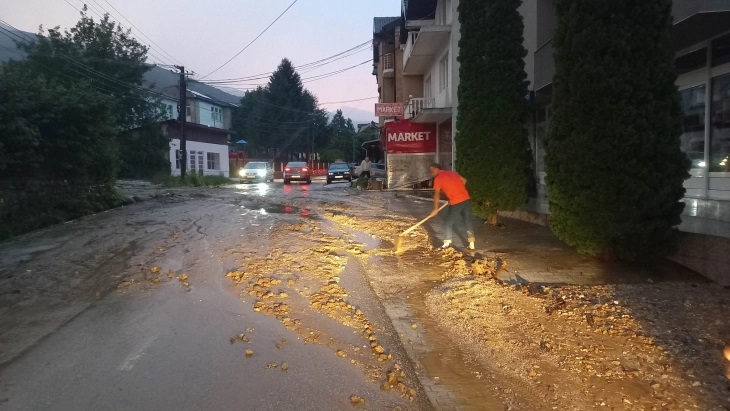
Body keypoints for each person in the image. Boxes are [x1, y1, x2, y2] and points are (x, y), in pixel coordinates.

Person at [429, 163, 475, 250]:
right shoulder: (452, 173)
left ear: (437, 169)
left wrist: (435, 209)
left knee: (447, 222)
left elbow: (436, 194)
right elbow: (464, 180)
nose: (431, 173)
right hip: (466, 199)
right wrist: (458, 191)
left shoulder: (438, 178)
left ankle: (446, 243)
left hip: (457, 202)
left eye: (432, 171)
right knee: (467, 221)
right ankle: (472, 244)